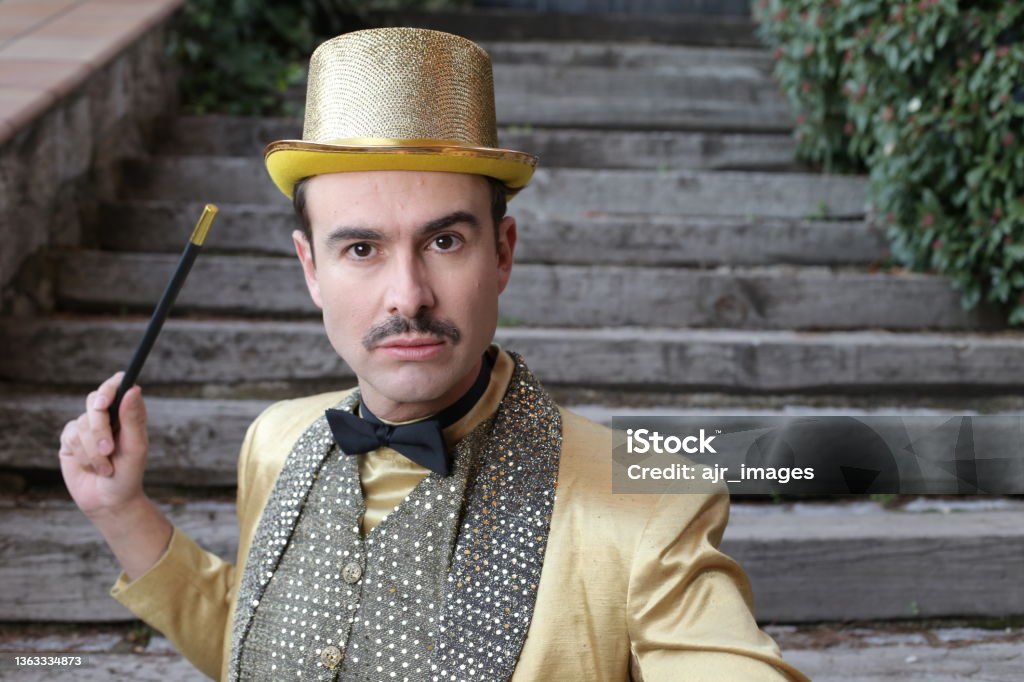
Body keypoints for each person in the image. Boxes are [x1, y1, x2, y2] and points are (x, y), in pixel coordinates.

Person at [58, 27, 809, 681]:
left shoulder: (650, 505)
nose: (408, 295)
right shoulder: (275, 441)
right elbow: (258, 642)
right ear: (310, 268)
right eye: (361, 248)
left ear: (503, 252)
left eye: (444, 241)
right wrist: (121, 510)